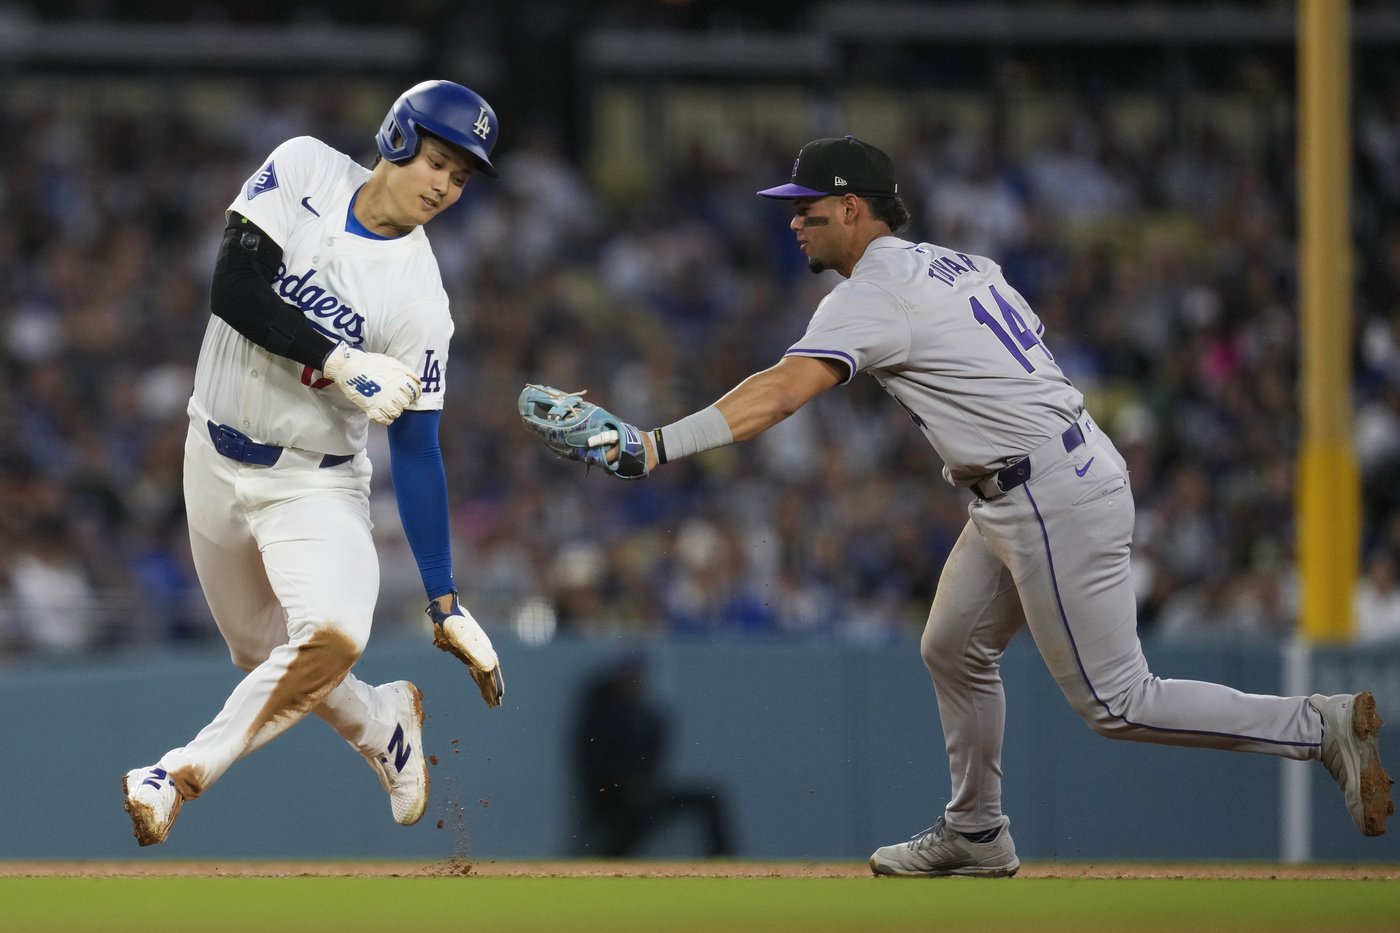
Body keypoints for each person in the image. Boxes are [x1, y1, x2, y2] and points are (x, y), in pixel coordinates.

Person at [538, 135, 1394, 875]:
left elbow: (781, 393)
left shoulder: (873, 292)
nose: (792, 219)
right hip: (1030, 478)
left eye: (806, 205)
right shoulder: (956, 262)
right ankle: (976, 828)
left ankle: (1315, 726)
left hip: (1047, 491)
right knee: (951, 647)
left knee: (1118, 701)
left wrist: (651, 446)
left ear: (851, 207)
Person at [121, 80, 505, 846]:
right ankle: (380, 718)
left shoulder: (420, 298)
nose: (444, 184)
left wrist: (445, 599)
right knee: (259, 652)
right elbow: (232, 286)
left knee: (331, 632)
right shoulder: (305, 168)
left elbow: (417, 446)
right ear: (397, 137)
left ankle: (175, 774)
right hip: (212, 450)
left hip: (311, 479)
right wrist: (338, 359)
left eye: (461, 176)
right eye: (437, 159)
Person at [570, 652, 734, 858]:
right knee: (637, 811)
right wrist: (624, 785)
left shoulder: (649, 716)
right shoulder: (600, 714)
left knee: (709, 796)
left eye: (636, 673)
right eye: (627, 673)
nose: (632, 679)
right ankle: (611, 859)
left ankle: (724, 862)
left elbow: (654, 763)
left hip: (646, 791)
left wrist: (643, 784)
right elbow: (595, 763)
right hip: (610, 795)